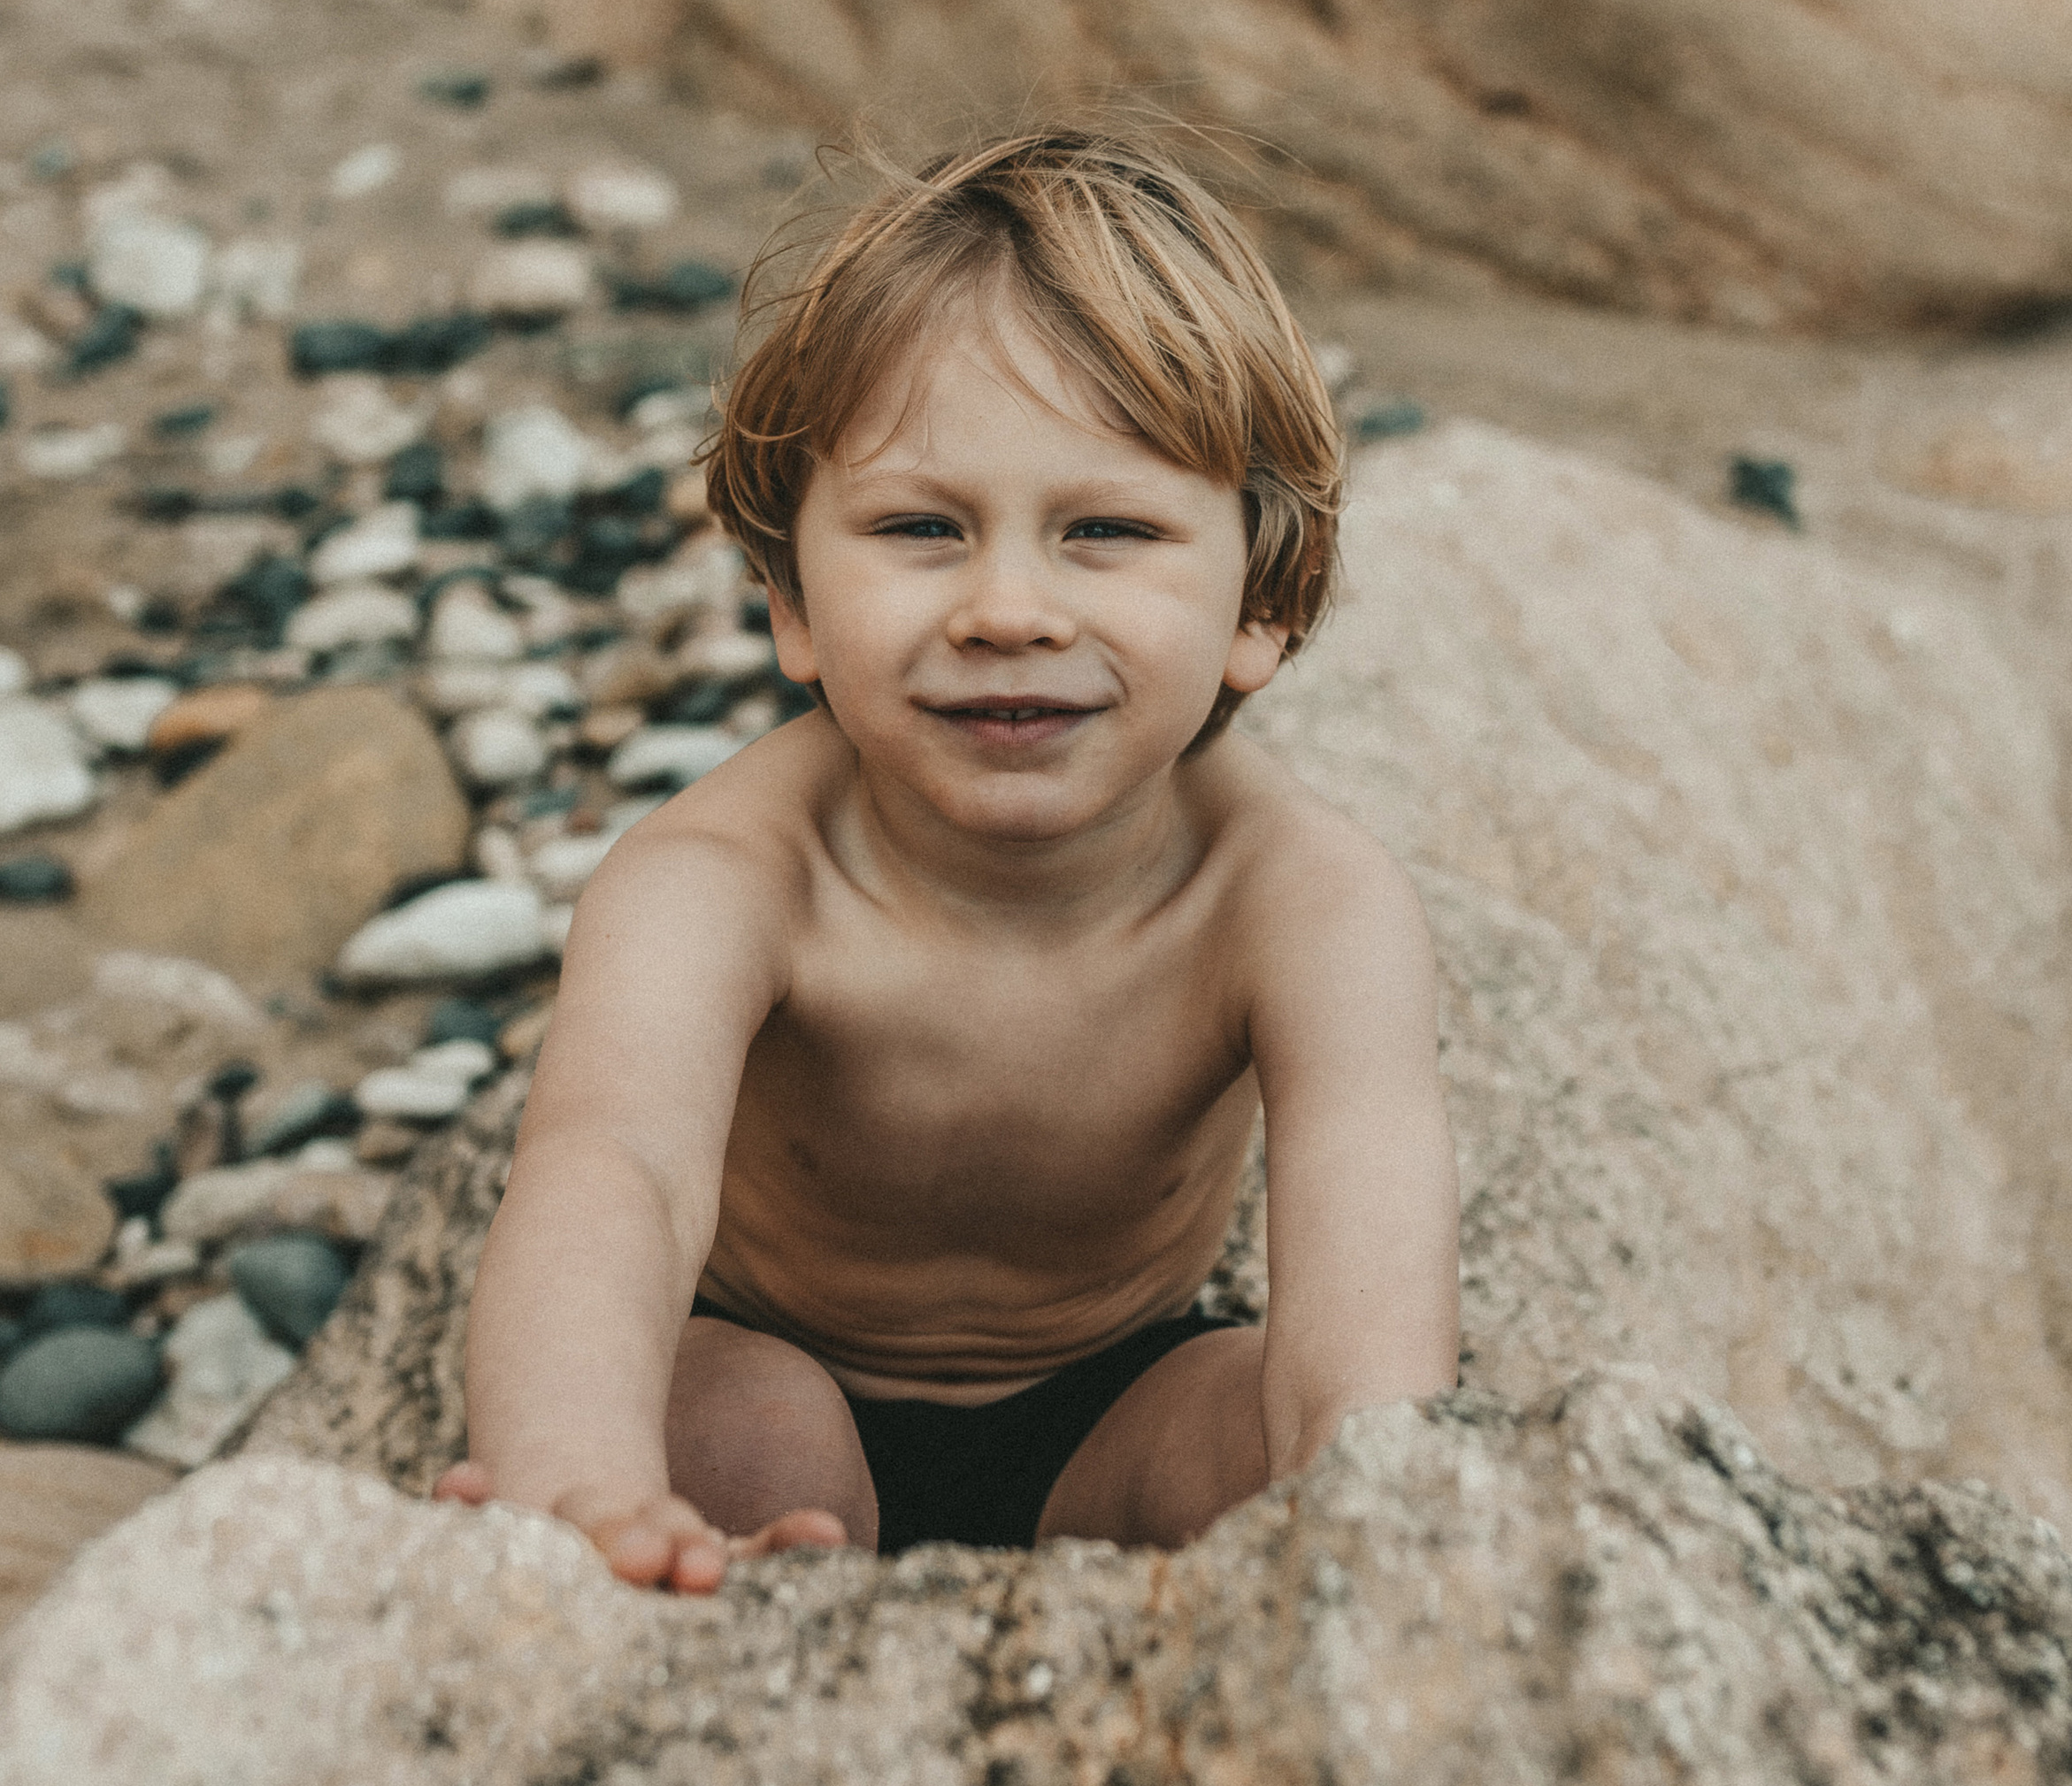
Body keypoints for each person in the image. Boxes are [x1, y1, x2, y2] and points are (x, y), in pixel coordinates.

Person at [440, 129, 1460, 1586]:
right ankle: (644, 1549)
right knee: (735, 1429)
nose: (1009, 608)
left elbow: (1364, 1302)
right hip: (774, 1369)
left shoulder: (1301, 900)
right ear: (791, 599)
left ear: (1263, 603)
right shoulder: (722, 877)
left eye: (1107, 530)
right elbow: (616, 1172)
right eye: (922, 528)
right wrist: (577, 1478)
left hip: (1116, 1401)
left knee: (1294, 1460)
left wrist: (1373, 1499)